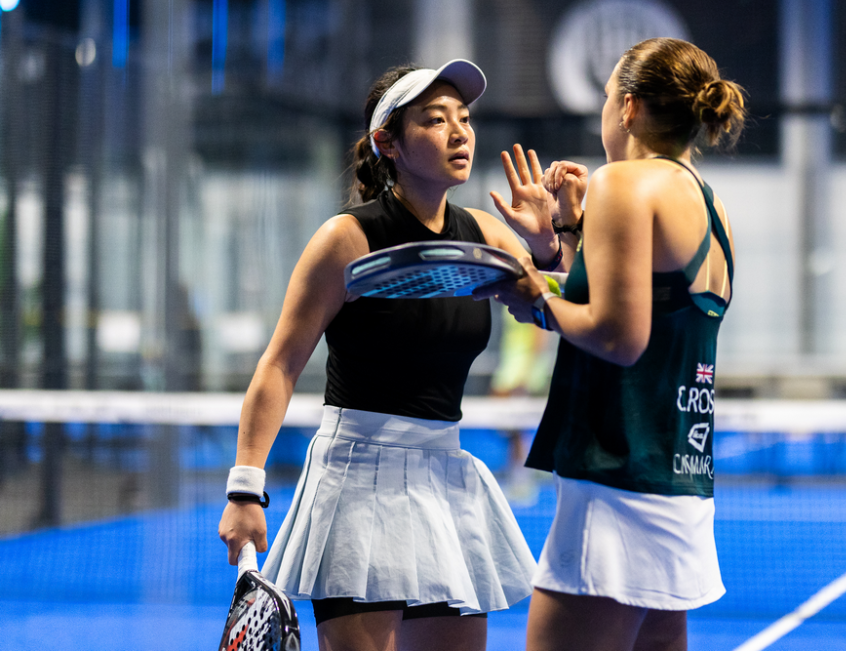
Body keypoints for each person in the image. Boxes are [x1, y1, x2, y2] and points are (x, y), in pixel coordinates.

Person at [218, 59, 575, 651]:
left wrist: (550, 243)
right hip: (356, 481)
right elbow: (280, 364)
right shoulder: (345, 239)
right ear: (389, 144)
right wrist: (244, 488)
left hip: (445, 477)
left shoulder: (484, 234)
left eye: (464, 118)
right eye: (435, 120)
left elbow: (572, 307)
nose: (459, 132)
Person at [478, 37, 746, 651]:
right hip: (678, 481)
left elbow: (620, 337)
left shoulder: (623, 183)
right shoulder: (710, 205)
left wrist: (535, 298)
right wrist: (564, 234)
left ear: (628, 108)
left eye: (605, 99)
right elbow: (637, 304)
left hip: (617, 481)